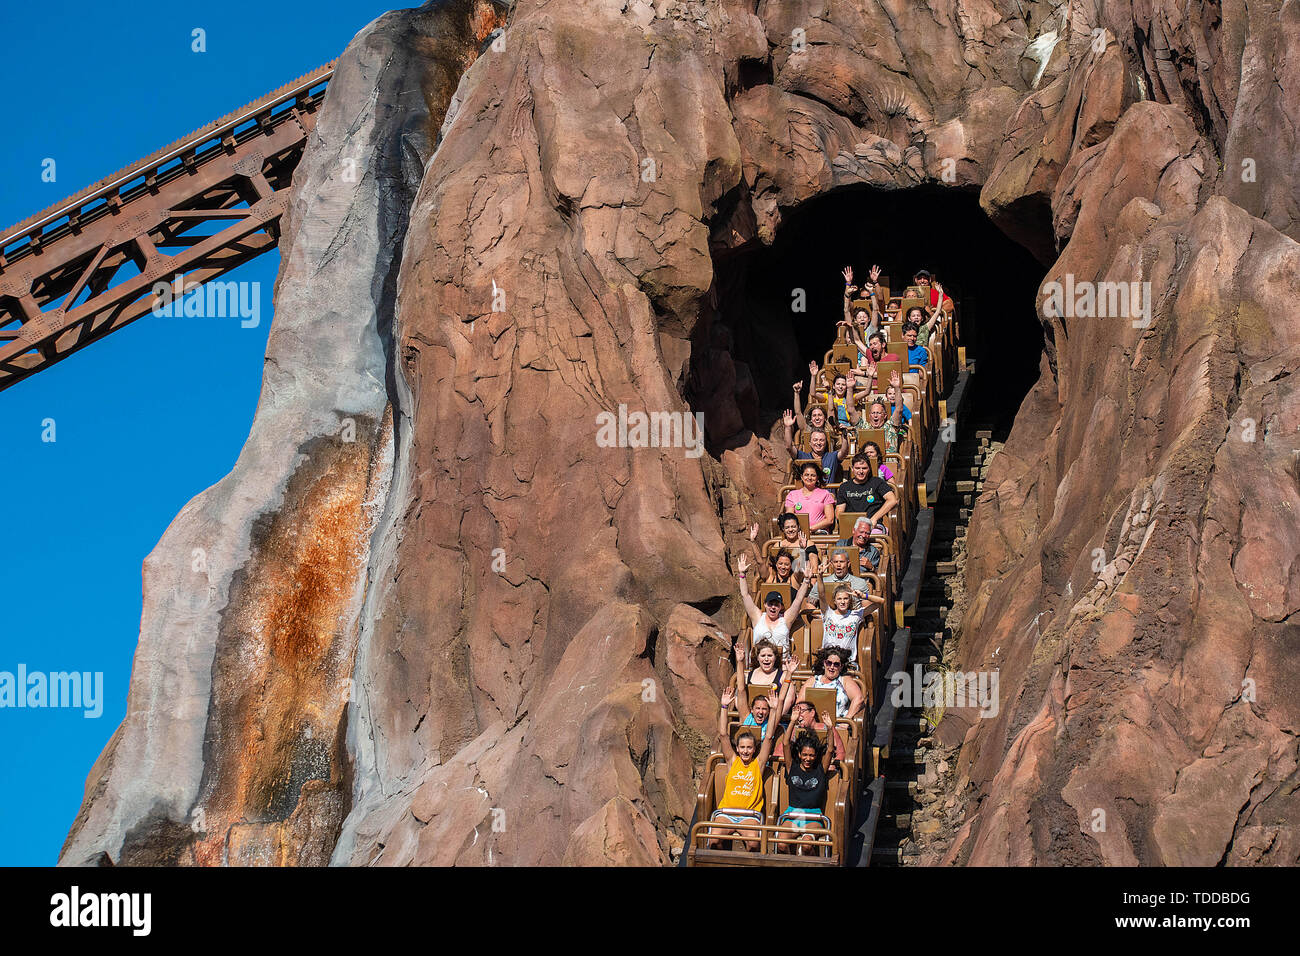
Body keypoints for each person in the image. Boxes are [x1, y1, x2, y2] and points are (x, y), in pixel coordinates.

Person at [711, 686, 779, 851]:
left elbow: (769, 736)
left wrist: (775, 710)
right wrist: (724, 707)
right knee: (713, 839)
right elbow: (723, 735)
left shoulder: (758, 764)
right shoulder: (733, 761)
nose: (745, 751)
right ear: (738, 749)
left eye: (749, 748)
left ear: (754, 749)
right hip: (727, 813)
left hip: (748, 815)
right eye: (742, 747)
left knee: (754, 843)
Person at [778, 714, 841, 854]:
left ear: (816, 756)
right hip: (793, 815)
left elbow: (830, 749)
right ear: (799, 754)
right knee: (781, 843)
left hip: (814, 817)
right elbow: (786, 744)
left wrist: (830, 728)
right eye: (805, 755)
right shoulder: (792, 767)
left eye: (811, 755)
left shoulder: (820, 770)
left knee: (806, 845)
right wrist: (793, 721)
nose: (808, 759)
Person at [736, 551, 817, 660]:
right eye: (770, 604)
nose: (773, 607)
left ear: (781, 607)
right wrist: (742, 575)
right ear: (765, 604)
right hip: (759, 662)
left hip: (781, 663)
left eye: (776, 605)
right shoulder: (758, 617)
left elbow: (798, 600)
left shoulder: (786, 619)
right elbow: (745, 595)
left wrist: (806, 580)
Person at [834, 453, 898, 532]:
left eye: (864, 468)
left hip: (873, 526)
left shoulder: (877, 482)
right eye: (857, 468)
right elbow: (839, 513)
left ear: (869, 469)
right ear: (852, 468)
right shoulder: (844, 487)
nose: (861, 471)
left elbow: (892, 500)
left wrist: (874, 518)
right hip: (852, 527)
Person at [784, 412, 849, 484]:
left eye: (821, 440)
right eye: (815, 440)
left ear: (825, 443)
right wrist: (788, 427)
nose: (818, 443)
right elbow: (789, 447)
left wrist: (845, 436)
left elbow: (844, 452)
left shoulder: (832, 457)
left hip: (827, 493)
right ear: (810, 443)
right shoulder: (803, 457)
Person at [776, 700, 846, 766]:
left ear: (812, 713)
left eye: (801, 711)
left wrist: (831, 765)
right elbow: (779, 751)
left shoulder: (828, 729)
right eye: (796, 711)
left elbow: (841, 753)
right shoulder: (794, 730)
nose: (798, 715)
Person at [800, 647, 864, 719]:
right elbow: (800, 702)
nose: (832, 667)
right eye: (829, 663)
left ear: (841, 666)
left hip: (838, 725)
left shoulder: (845, 681)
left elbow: (858, 698)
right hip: (813, 725)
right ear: (824, 663)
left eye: (836, 664)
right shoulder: (813, 680)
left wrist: (846, 721)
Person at [751, 514, 815, 578]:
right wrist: (753, 541)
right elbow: (767, 568)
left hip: (803, 579)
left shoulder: (808, 544)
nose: (790, 530)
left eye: (793, 527)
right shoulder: (778, 546)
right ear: (783, 529)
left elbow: (814, 568)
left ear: (798, 527)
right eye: (787, 527)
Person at [783, 461, 837, 534]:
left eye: (813, 475)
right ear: (802, 477)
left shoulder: (825, 494)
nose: (809, 478)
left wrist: (811, 529)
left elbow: (829, 519)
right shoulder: (792, 495)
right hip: (798, 533)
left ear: (817, 477)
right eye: (806, 475)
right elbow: (789, 517)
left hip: (819, 532)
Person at [821, 584, 867, 663]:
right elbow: (821, 594)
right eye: (839, 599)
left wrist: (863, 596)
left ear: (850, 600)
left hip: (847, 661)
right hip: (828, 660)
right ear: (835, 601)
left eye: (845, 598)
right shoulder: (828, 613)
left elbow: (880, 602)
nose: (842, 602)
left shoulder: (855, 615)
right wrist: (819, 576)